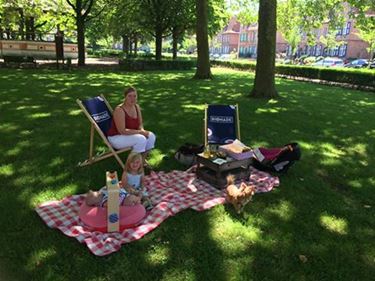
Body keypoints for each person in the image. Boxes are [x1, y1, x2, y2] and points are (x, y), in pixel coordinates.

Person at [107, 87, 156, 162]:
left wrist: (142, 130)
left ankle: (141, 161)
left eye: (135, 96)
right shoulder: (119, 110)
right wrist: (140, 132)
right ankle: (132, 164)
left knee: (151, 136)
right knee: (141, 139)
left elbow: (140, 124)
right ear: (125, 97)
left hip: (130, 135)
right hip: (116, 137)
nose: (132, 98)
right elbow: (122, 131)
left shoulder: (136, 107)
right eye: (129, 96)